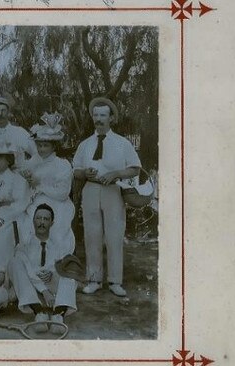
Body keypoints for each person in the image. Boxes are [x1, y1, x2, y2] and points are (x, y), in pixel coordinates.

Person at [72, 97, 141, 297]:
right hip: (91, 190)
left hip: (113, 191)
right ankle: (94, 279)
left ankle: (114, 281)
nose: (98, 119)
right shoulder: (85, 144)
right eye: (96, 115)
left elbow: (135, 169)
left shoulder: (122, 143)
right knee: (91, 235)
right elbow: (75, 169)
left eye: (103, 115)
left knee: (114, 235)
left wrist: (116, 173)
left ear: (111, 118)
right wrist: (84, 173)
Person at [8, 204, 77, 333]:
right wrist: (44, 290)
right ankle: (39, 314)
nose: (41, 222)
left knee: (69, 270)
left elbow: (61, 266)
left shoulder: (58, 244)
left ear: (52, 223)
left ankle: (58, 316)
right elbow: (28, 270)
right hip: (32, 289)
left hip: (52, 288)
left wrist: (54, 272)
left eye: (46, 219)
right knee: (14, 262)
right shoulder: (25, 244)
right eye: (38, 218)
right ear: (33, 220)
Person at [21, 112, 75, 249]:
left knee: (56, 230)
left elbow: (63, 192)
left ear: (53, 146)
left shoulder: (62, 164)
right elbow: (23, 178)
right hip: (34, 203)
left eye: (45, 146)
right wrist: (27, 179)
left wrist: (39, 185)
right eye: (39, 145)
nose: (41, 149)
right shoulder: (32, 162)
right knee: (27, 227)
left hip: (57, 203)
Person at [0, 146, 30, 268]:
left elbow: (20, 205)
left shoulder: (17, 179)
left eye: (0, 159)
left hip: (12, 217)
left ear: (8, 160)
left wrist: (2, 219)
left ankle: (2, 271)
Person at [0, 97, 37, 170]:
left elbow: (36, 153)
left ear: (8, 112)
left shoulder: (20, 132)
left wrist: (26, 167)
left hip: (16, 176)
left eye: (3, 110)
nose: (0, 114)